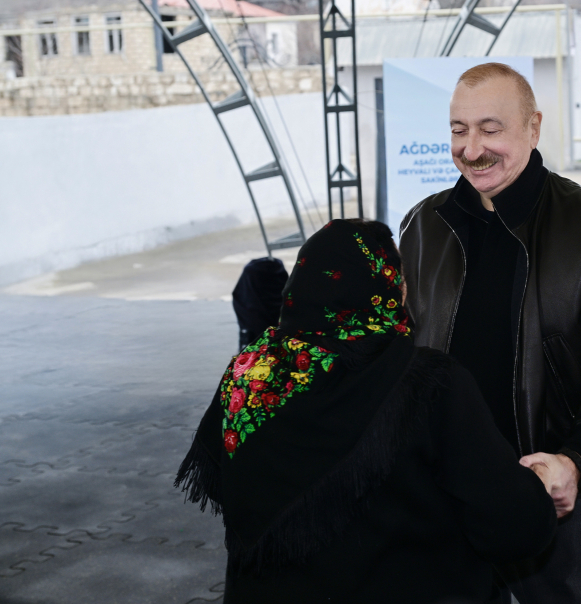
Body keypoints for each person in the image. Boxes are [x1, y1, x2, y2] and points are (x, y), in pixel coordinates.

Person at [176, 219, 557, 604]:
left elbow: (230, 486)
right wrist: (538, 482)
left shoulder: (248, 374)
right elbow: (514, 529)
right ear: (389, 290)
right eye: (401, 279)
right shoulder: (430, 383)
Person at [399, 63, 581, 603]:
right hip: (439, 499)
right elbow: (397, 354)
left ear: (533, 127)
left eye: (490, 129)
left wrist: (577, 461)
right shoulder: (424, 226)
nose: (471, 149)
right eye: (459, 130)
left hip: (551, 496)